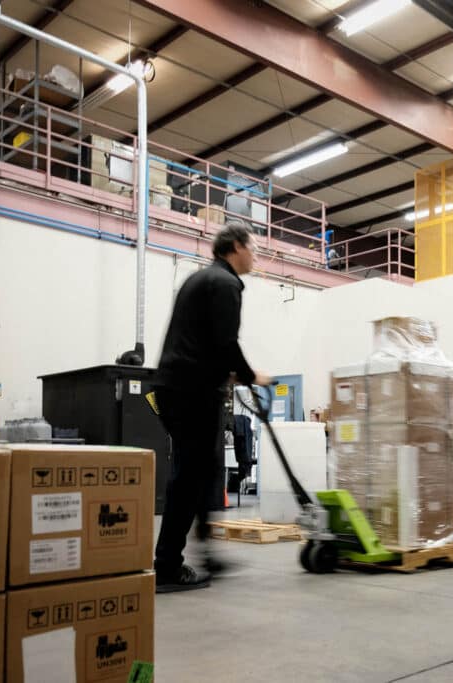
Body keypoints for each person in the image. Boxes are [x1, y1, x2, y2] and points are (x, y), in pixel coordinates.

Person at [153, 221, 271, 593]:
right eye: (252, 247)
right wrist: (251, 375)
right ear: (235, 246)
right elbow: (225, 341)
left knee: (199, 470)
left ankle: (205, 552)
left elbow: (204, 342)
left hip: (176, 386)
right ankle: (167, 565)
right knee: (189, 475)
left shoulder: (199, 279)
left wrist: (230, 373)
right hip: (191, 391)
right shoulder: (227, 284)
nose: (255, 255)